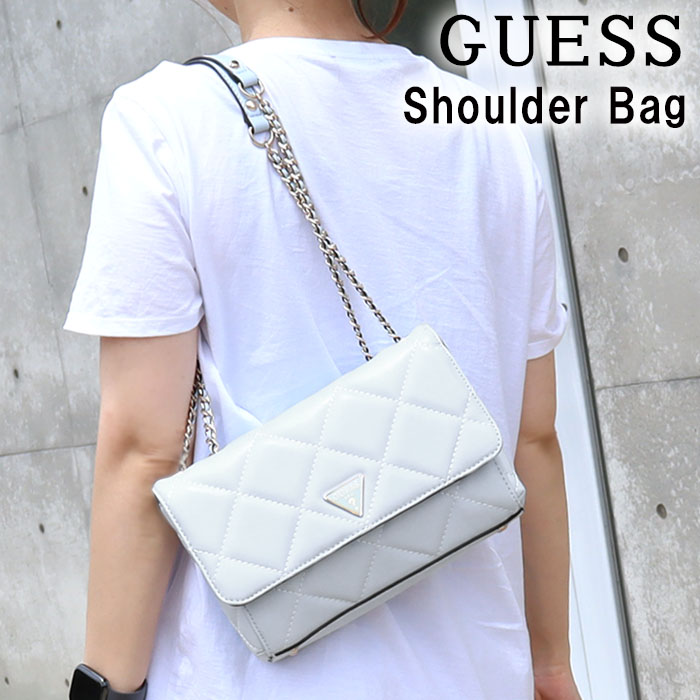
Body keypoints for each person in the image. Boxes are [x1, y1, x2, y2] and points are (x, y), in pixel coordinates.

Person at [63, 1, 582, 698]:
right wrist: (550, 666)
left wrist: (105, 688)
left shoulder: (166, 119)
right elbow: (534, 438)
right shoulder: (491, 135)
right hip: (478, 670)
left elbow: (142, 451)